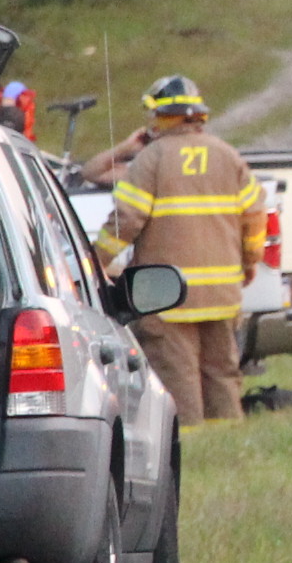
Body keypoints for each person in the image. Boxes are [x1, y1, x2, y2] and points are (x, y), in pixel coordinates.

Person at [99, 74, 267, 422]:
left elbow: (126, 219)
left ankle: (188, 440)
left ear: (162, 116)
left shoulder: (152, 158)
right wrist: (250, 261)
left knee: (177, 374)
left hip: (167, 294)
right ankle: (227, 437)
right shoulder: (228, 155)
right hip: (221, 292)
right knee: (223, 372)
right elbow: (254, 215)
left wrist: (96, 260)